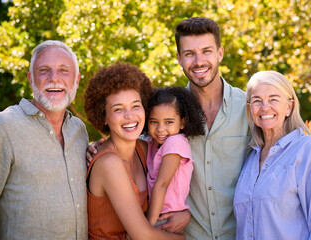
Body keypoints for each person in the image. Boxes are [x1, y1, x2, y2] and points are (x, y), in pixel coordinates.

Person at [87, 17, 251, 239]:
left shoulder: (249, 109)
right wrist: (94, 147)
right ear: (179, 59)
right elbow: (126, 139)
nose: (199, 61)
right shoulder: (166, 114)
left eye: (206, 51)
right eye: (189, 53)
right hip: (186, 233)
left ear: (220, 53)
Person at [84, 62, 186, 240]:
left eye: (135, 106)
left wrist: (186, 215)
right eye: (118, 109)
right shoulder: (109, 163)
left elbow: (174, 186)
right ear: (104, 116)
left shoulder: (145, 149)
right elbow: (143, 235)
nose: (130, 116)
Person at [0, 40, 88, 239]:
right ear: (31, 79)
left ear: (77, 80)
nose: (54, 78)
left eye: (64, 70)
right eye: (44, 70)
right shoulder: (4, 126)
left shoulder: (79, 130)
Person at [233, 70, 311, 239]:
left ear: (289, 107)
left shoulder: (309, 150)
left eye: (273, 99)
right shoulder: (250, 157)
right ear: (249, 108)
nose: (265, 107)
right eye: (257, 101)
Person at [144, 87, 205, 229]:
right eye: (154, 121)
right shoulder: (153, 142)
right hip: (157, 214)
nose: (160, 129)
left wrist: (147, 226)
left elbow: (162, 184)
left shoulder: (175, 142)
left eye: (168, 122)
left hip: (165, 217)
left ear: (182, 123)